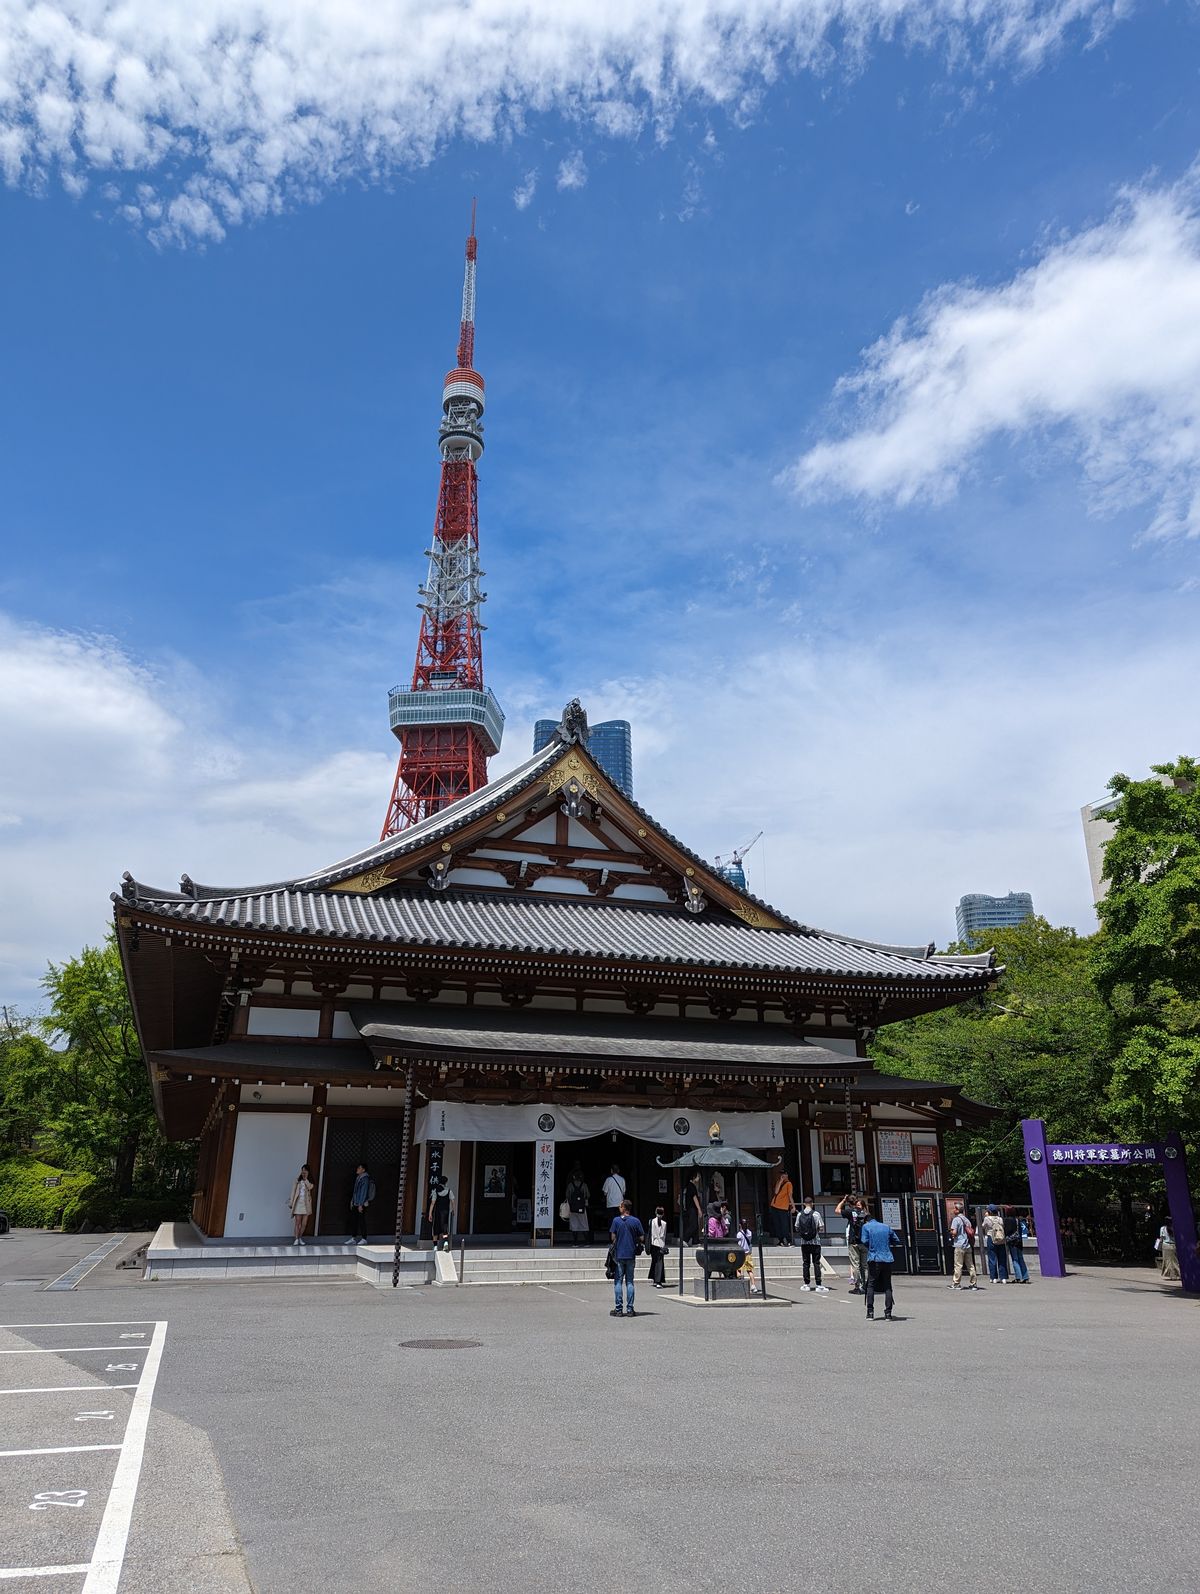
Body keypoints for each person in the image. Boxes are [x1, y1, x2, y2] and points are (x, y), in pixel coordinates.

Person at [860, 1210, 902, 1321]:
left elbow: (864, 1240)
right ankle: (888, 1313)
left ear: (866, 1220)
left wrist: (872, 1247)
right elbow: (896, 1240)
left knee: (871, 1285)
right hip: (887, 1258)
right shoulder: (886, 1227)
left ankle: (870, 1312)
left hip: (874, 1258)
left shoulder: (866, 1227)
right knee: (887, 1285)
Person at [609, 1200, 645, 1317]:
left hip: (619, 1254)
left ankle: (618, 1309)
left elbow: (613, 1237)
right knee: (630, 1281)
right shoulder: (636, 1221)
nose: (619, 1207)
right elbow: (642, 1237)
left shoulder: (616, 1221)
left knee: (618, 1281)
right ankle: (630, 1309)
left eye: (620, 1206)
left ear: (624, 1208)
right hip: (631, 1254)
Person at [836, 1193, 868, 1294]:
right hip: (864, 1242)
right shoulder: (864, 1212)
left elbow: (837, 1210)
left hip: (854, 1241)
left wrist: (843, 1201)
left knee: (855, 1265)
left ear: (849, 1203)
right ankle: (866, 1285)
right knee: (865, 1265)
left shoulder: (850, 1212)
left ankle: (857, 1286)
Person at [795, 1197, 828, 1292]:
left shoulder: (799, 1214)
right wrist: (815, 1231)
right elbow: (821, 1227)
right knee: (816, 1263)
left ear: (804, 1204)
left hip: (804, 1242)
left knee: (806, 1263)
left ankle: (806, 1284)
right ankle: (818, 1284)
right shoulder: (816, 1214)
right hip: (815, 1242)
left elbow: (797, 1227)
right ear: (812, 1203)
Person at [949, 1202, 977, 1289]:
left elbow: (954, 1232)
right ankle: (974, 1284)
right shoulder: (966, 1220)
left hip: (959, 1244)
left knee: (958, 1265)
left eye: (954, 1208)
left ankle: (956, 1283)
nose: (953, 1210)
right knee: (970, 1265)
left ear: (957, 1210)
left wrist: (950, 1231)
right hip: (968, 1245)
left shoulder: (956, 1220)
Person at [981, 1204, 1009, 1283]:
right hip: (1001, 1239)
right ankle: (1003, 1277)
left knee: (992, 1258)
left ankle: (994, 1278)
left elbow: (983, 1226)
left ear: (989, 1211)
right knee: (1002, 1258)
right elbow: (1002, 1226)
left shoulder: (987, 1218)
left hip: (991, 1238)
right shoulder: (1000, 1219)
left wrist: (986, 1217)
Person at [564, 1164, 591, 1246]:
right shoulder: (584, 1185)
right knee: (584, 1224)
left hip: (573, 1208)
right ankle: (587, 1242)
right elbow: (588, 1195)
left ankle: (575, 1243)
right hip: (582, 1208)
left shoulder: (570, 1185)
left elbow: (567, 1195)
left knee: (574, 1225)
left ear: (573, 1177)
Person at [428, 1172, 454, 1252]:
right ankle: (445, 1243)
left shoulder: (436, 1191)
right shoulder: (449, 1191)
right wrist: (453, 1209)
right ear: (445, 1182)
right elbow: (452, 1200)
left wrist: (430, 1213)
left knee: (435, 1228)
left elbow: (433, 1202)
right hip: (445, 1212)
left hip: (437, 1212)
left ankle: (435, 1246)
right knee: (444, 1227)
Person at [349, 1163, 374, 1244]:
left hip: (361, 1204)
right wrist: (353, 1201)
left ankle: (364, 1238)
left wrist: (360, 1204)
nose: (357, 1169)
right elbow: (355, 1192)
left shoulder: (365, 1179)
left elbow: (363, 1192)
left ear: (363, 1170)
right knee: (354, 1220)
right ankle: (353, 1238)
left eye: (359, 1168)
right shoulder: (359, 1178)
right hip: (356, 1202)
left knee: (361, 1220)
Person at [289, 1164, 314, 1245]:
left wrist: (306, 1179)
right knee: (297, 1223)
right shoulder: (297, 1180)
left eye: (305, 1170)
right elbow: (293, 1192)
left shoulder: (310, 1181)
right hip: (298, 1204)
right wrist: (291, 1202)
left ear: (308, 1171)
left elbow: (310, 1187)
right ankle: (296, 1239)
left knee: (304, 1224)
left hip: (306, 1205)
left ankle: (300, 1237)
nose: (303, 1172)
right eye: (302, 1170)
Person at [1003, 1206, 1029, 1283]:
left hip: (1012, 1242)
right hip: (1019, 1242)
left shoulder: (1007, 1220)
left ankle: (1018, 1277)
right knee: (1021, 1259)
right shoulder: (1017, 1220)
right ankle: (1025, 1276)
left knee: (1015, 1260)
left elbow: (1007, 1231)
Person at [769, 1170, 795, 1246]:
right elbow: (776, 1192)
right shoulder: (778, 1182)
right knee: (777, 1224)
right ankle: (780, 1240)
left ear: (787, 1175)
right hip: (775, 1205)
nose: (782, 1176)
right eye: (781, 1174)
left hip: (783, 1207)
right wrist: (780, 1181)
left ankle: (788, 1240)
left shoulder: (789, 1184)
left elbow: (790, 1195)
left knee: (784, 1225)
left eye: (784, 1174)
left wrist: (793, 1206)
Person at [648, 1205, 668, 1288]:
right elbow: (664, 1236)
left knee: (655, 1261)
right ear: (663, 1214)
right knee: (659, 1262)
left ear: (655, 1212)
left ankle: (656, 1279)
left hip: (654, 1243)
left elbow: (651, 1234)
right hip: (661, 1244)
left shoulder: (651, 1221)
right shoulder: (664, 1223)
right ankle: (658, 1281)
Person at [736, 1218, 759, 1293]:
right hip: (748, 1254)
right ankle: (753, 1285)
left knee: (738, 1269)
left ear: (740, 1225)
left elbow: (738, 1244)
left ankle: (740, 1285)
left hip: (741, 1254)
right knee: (749, 1270)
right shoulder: (749, 1233)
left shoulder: (739, 1234)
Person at [682, 1173, 704, 1243]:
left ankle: (695, 1240)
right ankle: (685, 1239)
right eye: (698, 1177)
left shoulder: (688, 1186)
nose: (699, 1178)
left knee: (695, 1225)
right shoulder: (691, 1186)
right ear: (693, 1177)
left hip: (689, 1208)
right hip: (692, 1208)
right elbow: (695, 1198)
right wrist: (699, 1209)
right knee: (693, 1225)